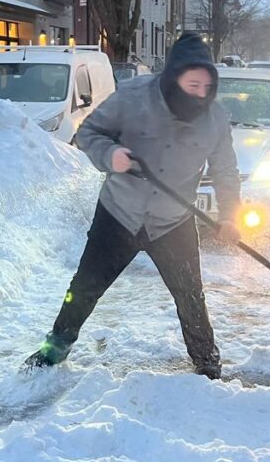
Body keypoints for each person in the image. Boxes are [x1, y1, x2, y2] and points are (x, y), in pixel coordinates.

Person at [24, 34, 242, 379]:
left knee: (190, 297)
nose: (200, 92)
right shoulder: (133, 97)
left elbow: (226, 171)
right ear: (173, 78)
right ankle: (54, 349)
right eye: (192, 83)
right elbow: (89, 133)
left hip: (174, 221)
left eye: (206, 84)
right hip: (119, 214)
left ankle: (207, 363)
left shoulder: (215, 118)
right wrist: (111, 155)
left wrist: (230, 216)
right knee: (84, 288)